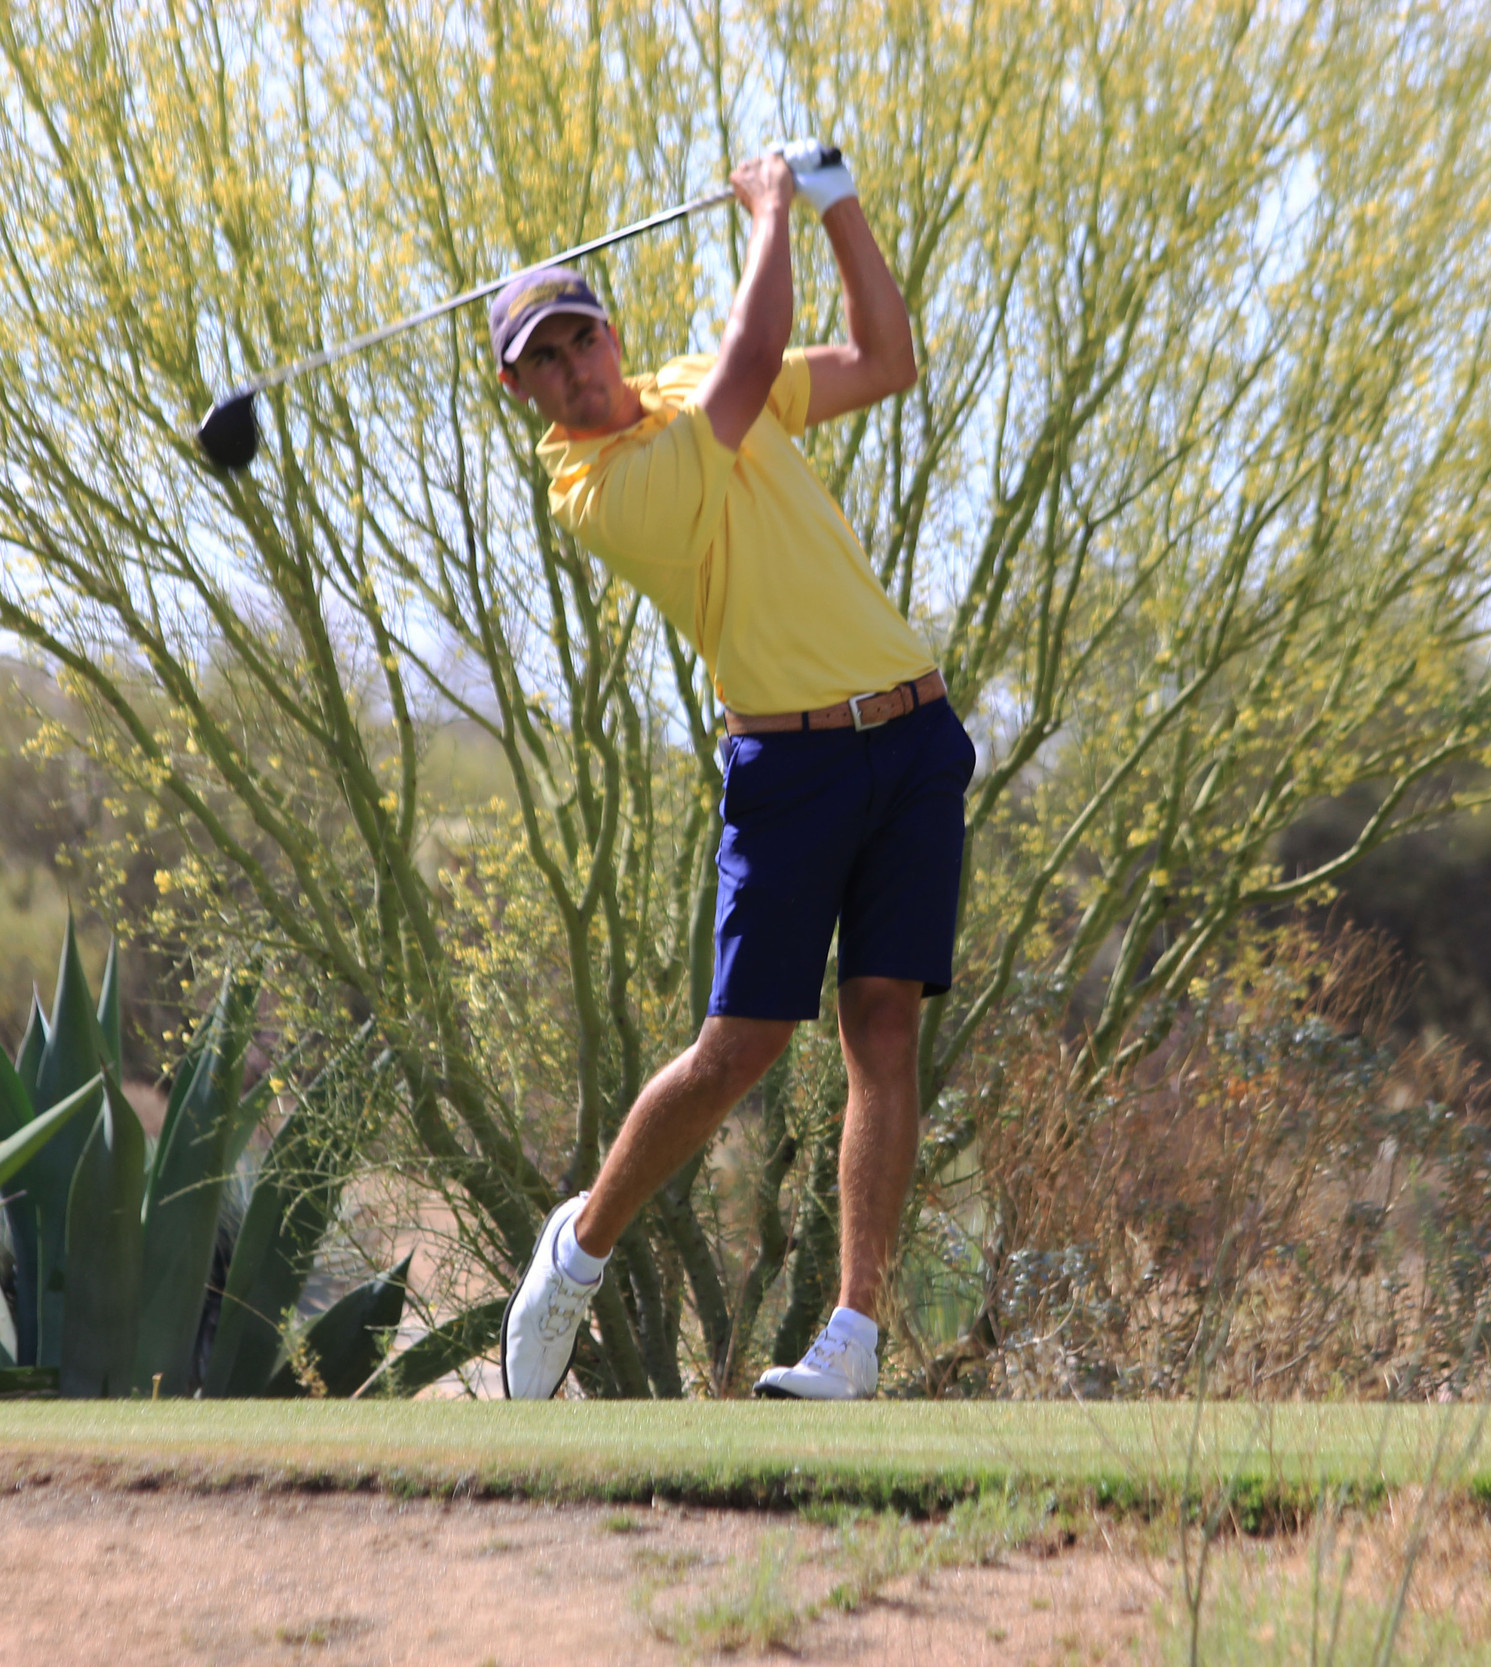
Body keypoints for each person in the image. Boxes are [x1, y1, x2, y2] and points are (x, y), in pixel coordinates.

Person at [493, 143, 973, 1401]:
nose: (573, 369)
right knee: (738, 1048)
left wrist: (837, 206)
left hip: (915, 737)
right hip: (789, 765)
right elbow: (754, 361)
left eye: (579, 337)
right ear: (520, 391)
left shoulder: (685, 388)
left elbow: (885, 359)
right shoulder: (599, 486)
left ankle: (852, 1337)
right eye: (542, 360)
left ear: (609, 331)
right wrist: (770, 211)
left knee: (884, 1030)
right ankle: (579, 1247)